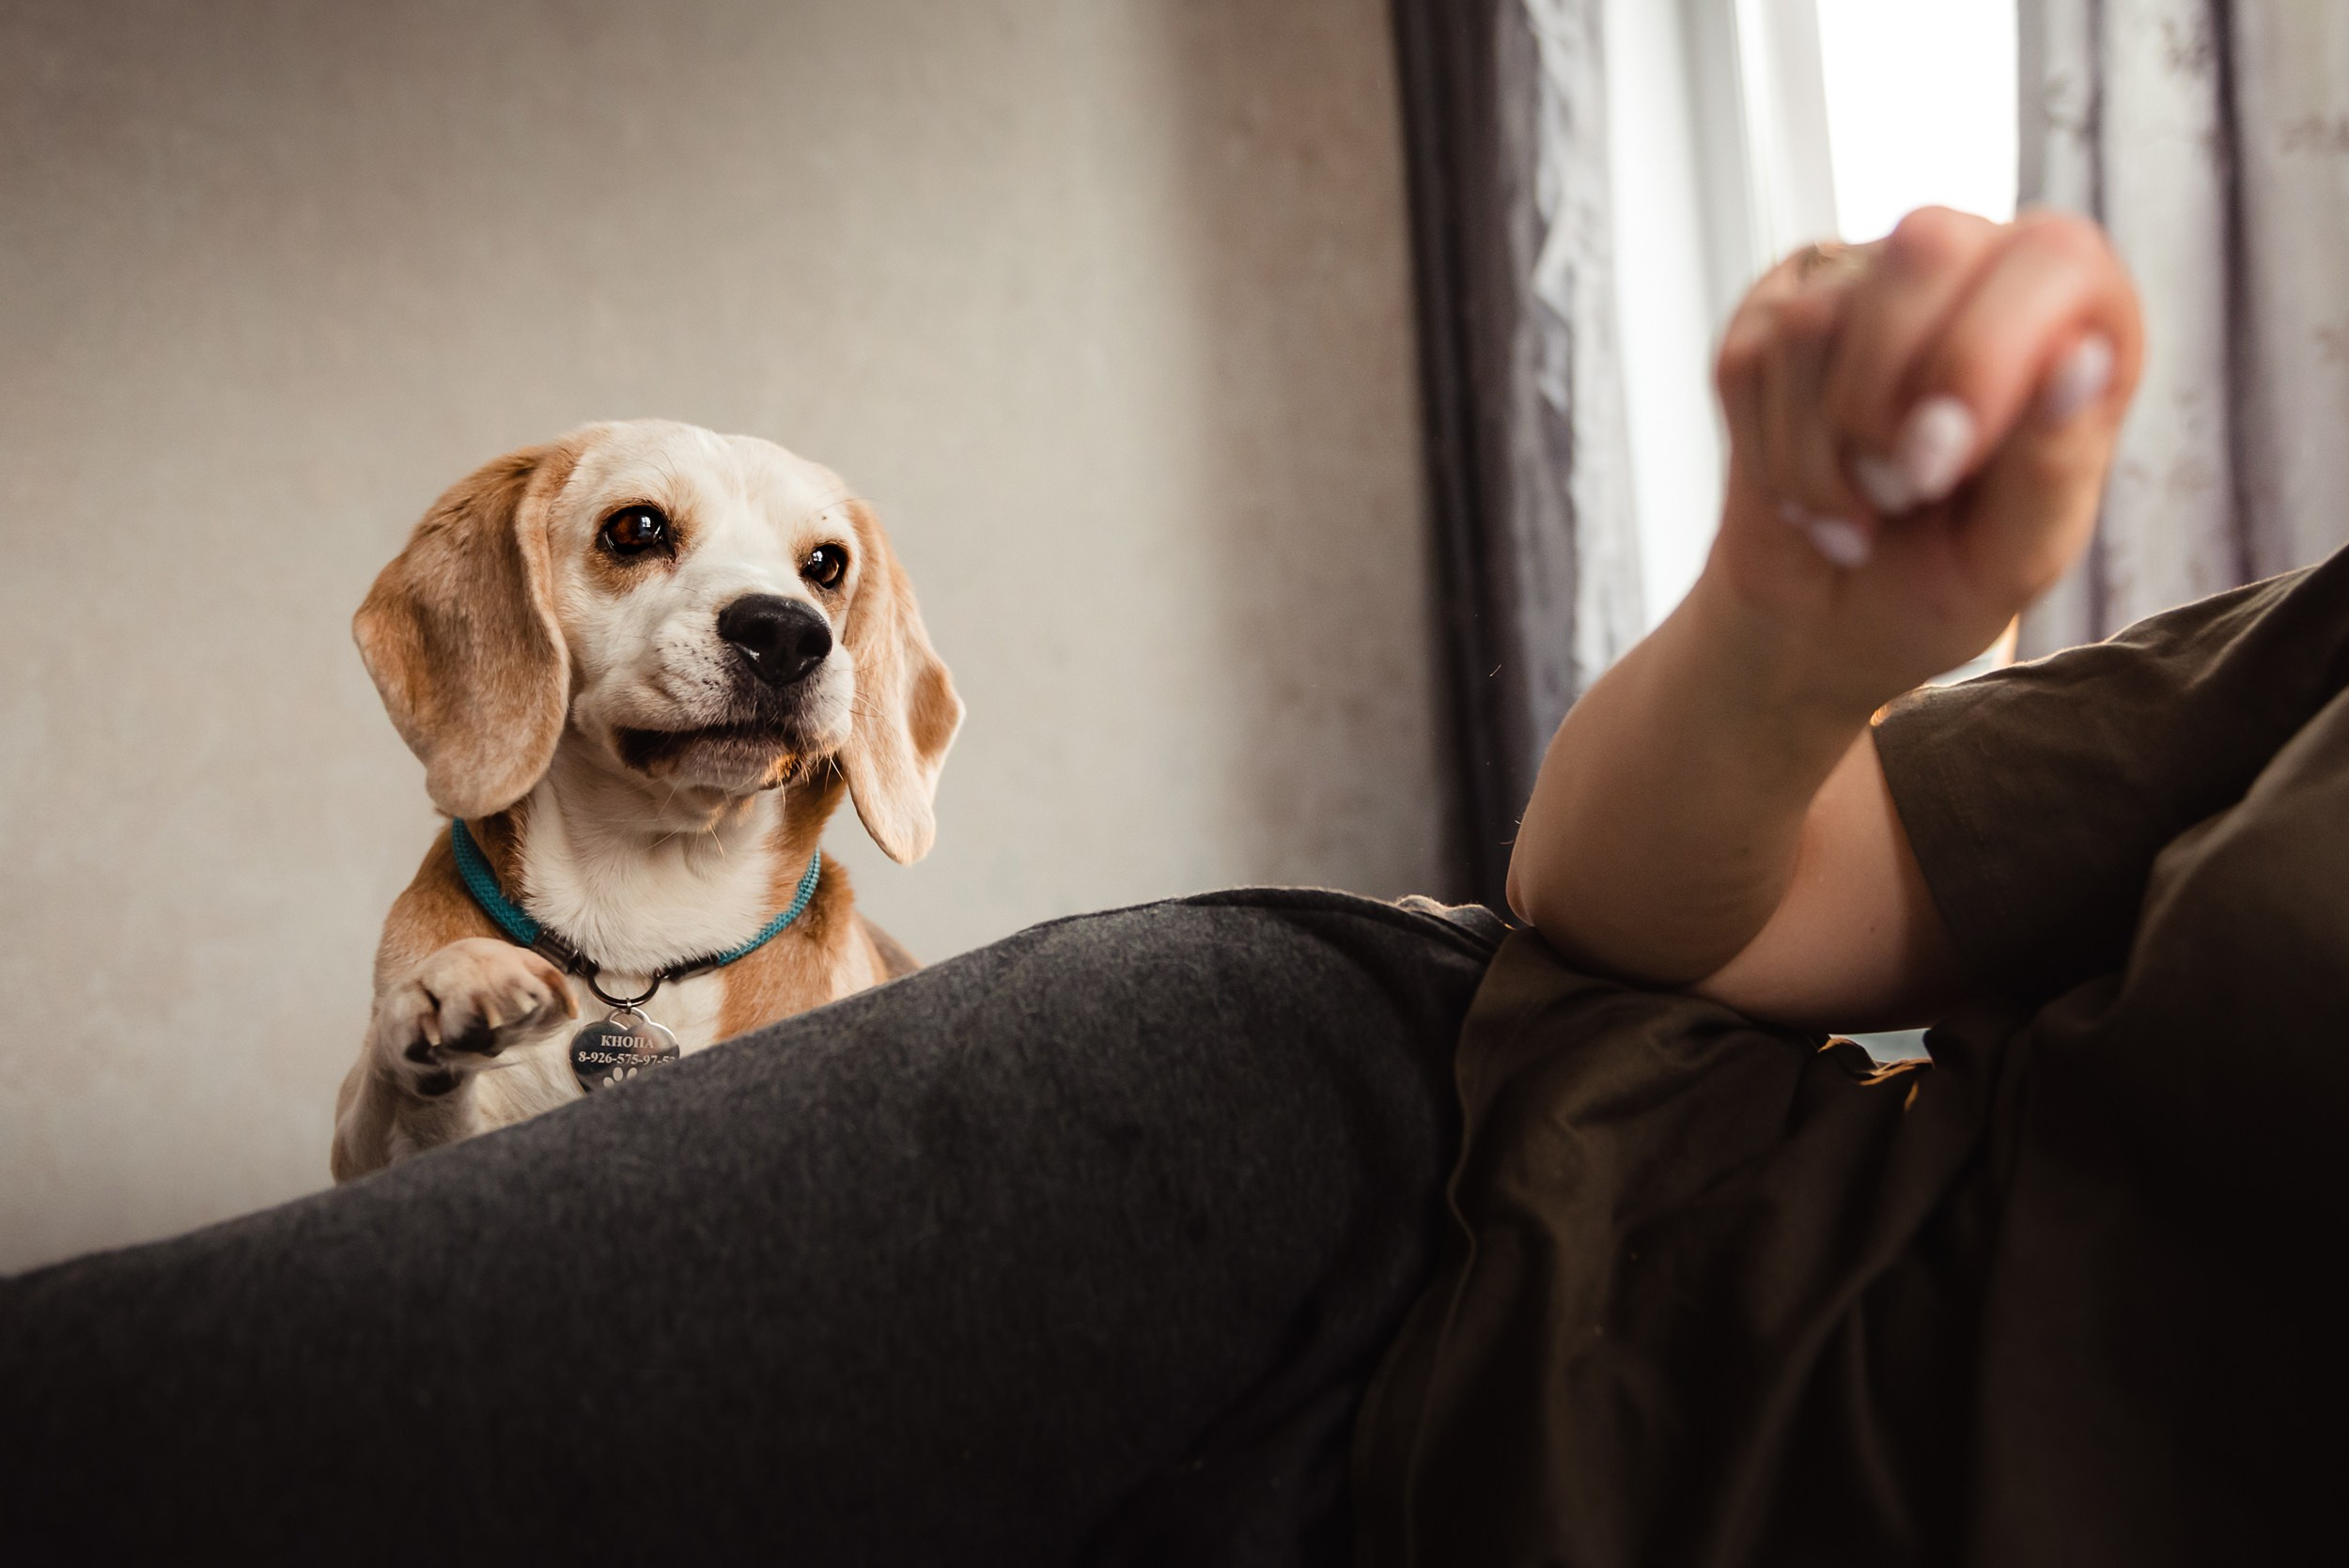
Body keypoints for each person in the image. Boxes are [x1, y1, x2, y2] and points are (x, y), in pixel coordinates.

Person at [4, 207, 2331, 1566]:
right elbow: (1679, 902)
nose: (780, 615)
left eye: (821, 579)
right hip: (1399, 1121)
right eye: (647, 544)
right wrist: (1794, 635)